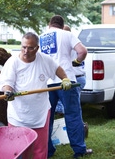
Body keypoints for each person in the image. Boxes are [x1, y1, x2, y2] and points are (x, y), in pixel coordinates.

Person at [0, 32, 72, 159]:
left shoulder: (44, 60)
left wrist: (65, 79)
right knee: (17, 149)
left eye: (30, 48)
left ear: (37, 48)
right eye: (23, 47)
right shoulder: (13, 62)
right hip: (18, 115)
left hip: (40, 113)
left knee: (39, 149)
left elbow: (57, 69)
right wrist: (8, 91)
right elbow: (6, 82)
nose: (26, 51)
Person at [39, 15, 92, 158]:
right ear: (62, 26)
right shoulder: (66, 34)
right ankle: (79, 150)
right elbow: (83, 51)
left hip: (48, 84)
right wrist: (75, 61)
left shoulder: (41, 37)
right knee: (73, 115)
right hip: (67, 81)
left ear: (50, 25)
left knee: (47, 117)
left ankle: (48, 151)